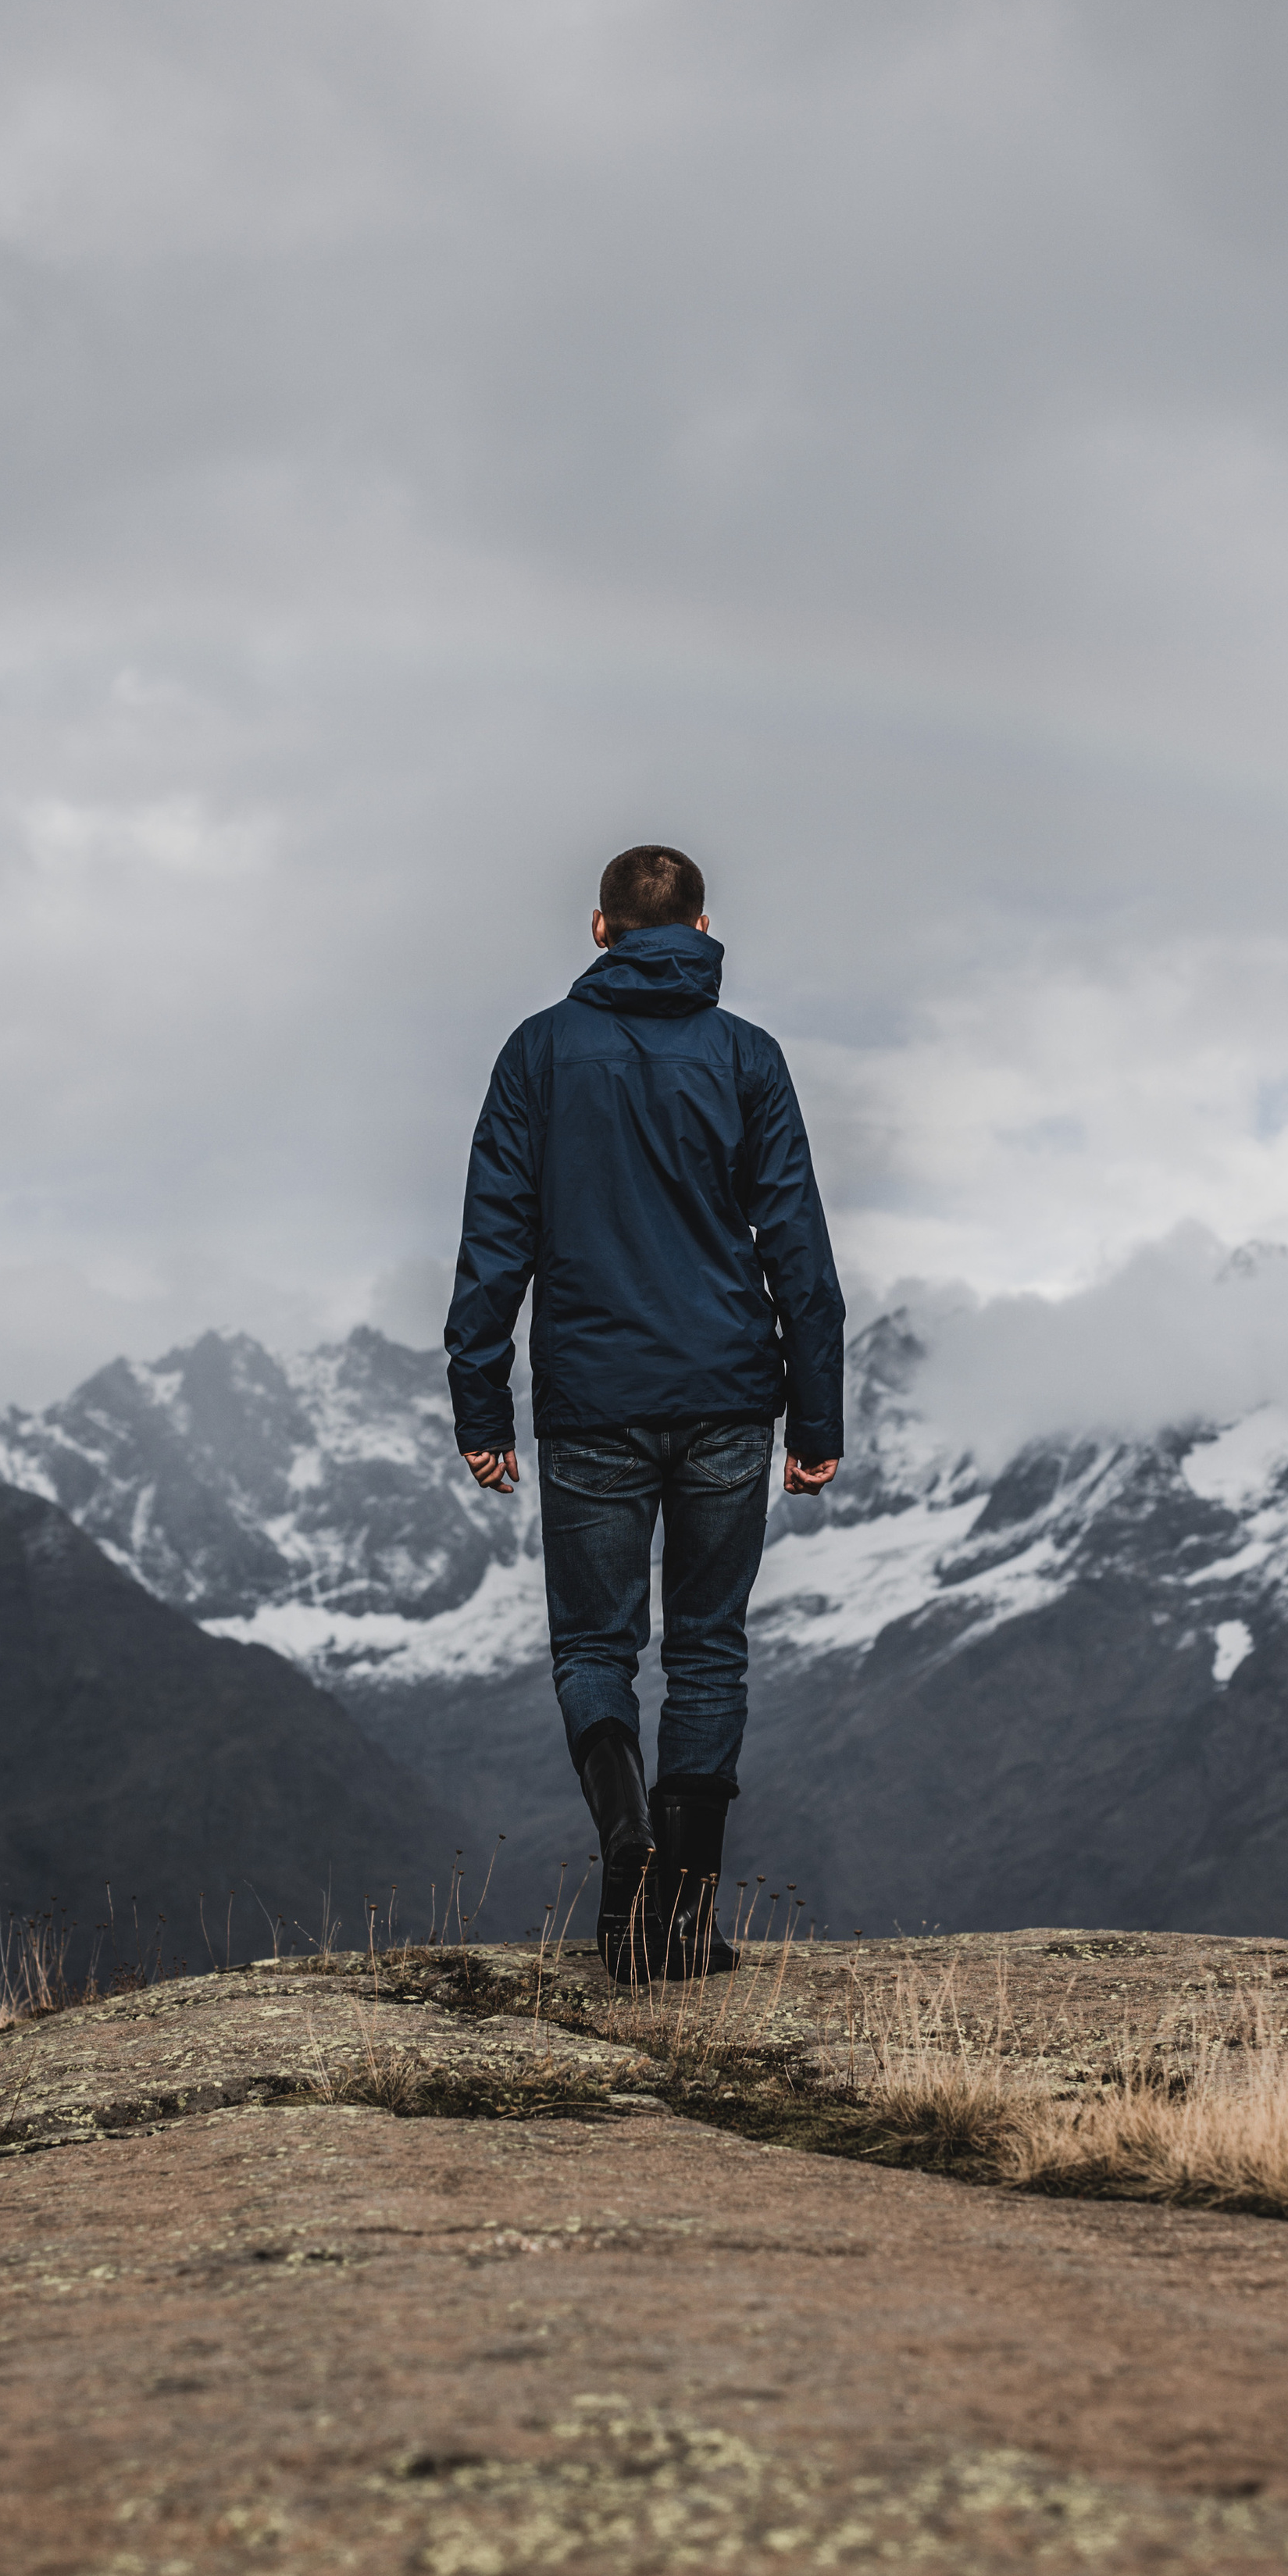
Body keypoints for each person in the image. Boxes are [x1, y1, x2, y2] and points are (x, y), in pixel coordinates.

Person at [445, 844, 845, 1982]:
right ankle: (682, 1920)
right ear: (704, 929)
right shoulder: (748, 1058)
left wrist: (482, 1407)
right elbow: (798, 1249)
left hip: (592, 1400)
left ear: (599, 928)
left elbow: (494, 1244)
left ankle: (625, 1842)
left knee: (594, 1645)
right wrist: (817, 1422)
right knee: (710, 1652)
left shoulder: (537, 1053)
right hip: (727, 1394)